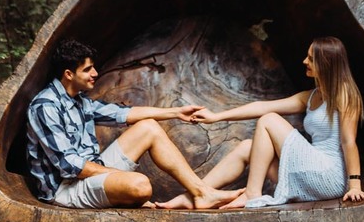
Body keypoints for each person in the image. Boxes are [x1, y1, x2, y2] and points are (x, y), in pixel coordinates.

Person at [26, 38, 240, 210]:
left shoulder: (79, 100)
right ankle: (129, 192)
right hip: (65, 189)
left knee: (149, 127)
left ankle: (201, 192)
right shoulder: (46, 106)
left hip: (91, 171)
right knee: (140, 185)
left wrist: (175, 112)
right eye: (88, 69)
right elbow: (69, 165)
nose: (95, 74)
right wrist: (116, 175)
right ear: (69, 74)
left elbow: (124, 113)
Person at [158, 36, 364, 209]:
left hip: (330, 176)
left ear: (326, 64)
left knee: (269, 121)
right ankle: (195, 195)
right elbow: (261, 106)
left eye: (311, 58)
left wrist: (355, 185)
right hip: (311, 171)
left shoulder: (345, 96)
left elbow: (348, 142)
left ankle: (252, 193)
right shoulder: (311, 96)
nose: (305, 61)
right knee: (247, 147)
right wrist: (216, 116)